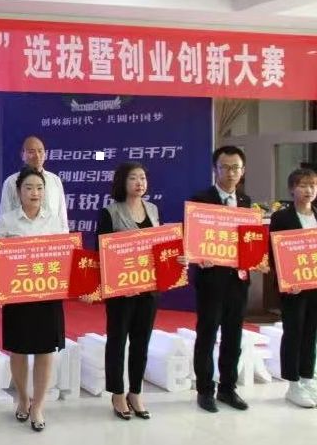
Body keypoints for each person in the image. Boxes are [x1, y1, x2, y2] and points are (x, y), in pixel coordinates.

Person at [97, 162, 186, 421]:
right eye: (133, 178)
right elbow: (102, 254)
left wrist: (176, 258)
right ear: (122, 182)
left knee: (141, 341)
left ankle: (135, 392)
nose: (139, 183)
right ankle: (117, 393)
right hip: (122, 291)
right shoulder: (110, 212)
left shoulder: (153, 210)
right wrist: (118, 281)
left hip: (149, 289)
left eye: (143, 178)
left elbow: (161, 246)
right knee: (117, 341)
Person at [190, 146, 265, 413]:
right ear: (215, 170)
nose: (231, 173)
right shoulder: (201, 200)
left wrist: (258, 258)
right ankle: (205, 390)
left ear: (243, 171)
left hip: (238, 280)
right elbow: (192, 238)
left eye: (236, 168)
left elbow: (251, 240)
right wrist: (199, 255)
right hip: (211, 280)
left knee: (233, 335)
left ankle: (228, 388)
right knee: (207, 334)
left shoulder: (246, 202)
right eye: (225, 168)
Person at [0, 166, 67, 432]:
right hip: (18, 295)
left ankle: (38, 405)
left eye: (39, 188)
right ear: (19, 191)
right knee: (19, 349)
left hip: (48, 295)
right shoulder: (7, 222)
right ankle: (23, 399)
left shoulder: (55, 221)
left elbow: (66, 256)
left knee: (46, 350)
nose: (34, 192)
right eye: (28, 188)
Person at [269, 168, 317, 409]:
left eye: (313, 185)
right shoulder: (282, 218)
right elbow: (274, 252)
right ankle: (293, 385)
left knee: (312, 333)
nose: (309, 190)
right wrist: (286, 280)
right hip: (294, 287)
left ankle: (307, 380)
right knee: (294, 332)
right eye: (303, 185)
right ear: (291, 189)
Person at [0, 136, 68, 233]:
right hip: (21, 238)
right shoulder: (11, 182)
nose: (37, 156)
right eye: (31, 152)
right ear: (22, 155)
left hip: (51, 239)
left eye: (40, 151)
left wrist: (64, 238)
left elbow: (62, 216)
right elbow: (5, 214)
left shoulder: (55, 180)